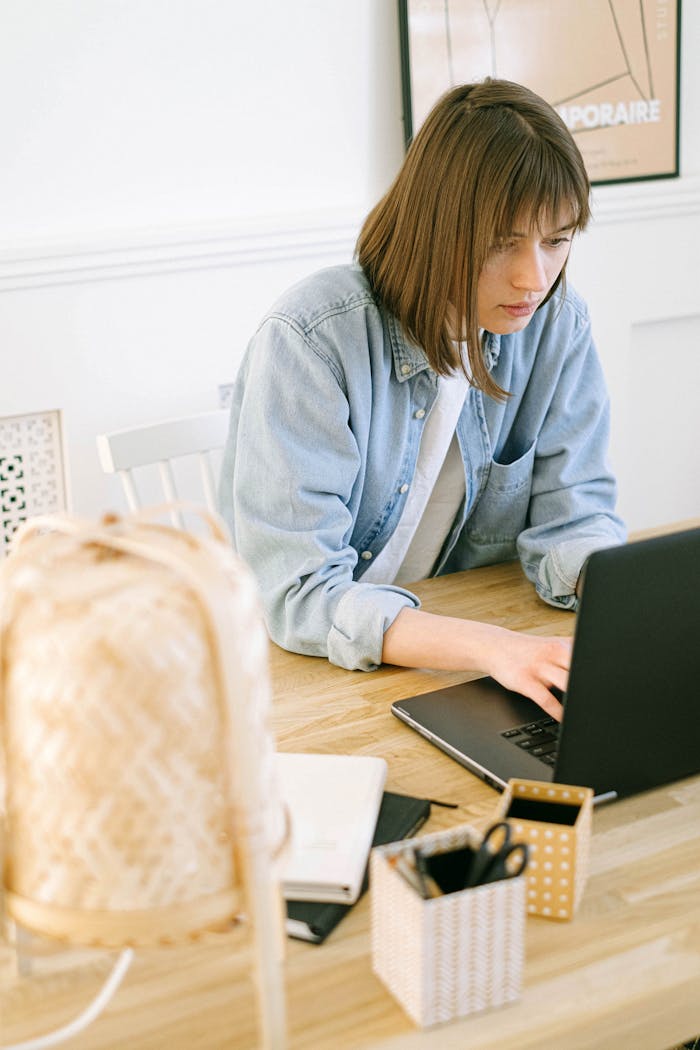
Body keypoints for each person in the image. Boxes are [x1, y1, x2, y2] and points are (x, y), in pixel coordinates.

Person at [219, 78, 626, 719]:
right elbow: (299, 593)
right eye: (503, 242)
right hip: (300, 677)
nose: (534, 278)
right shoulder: (312, 340)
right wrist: (495, 650)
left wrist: (622, 595)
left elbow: (573, 520)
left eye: (557, 239)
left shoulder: (557, 326)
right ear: (434, 225)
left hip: (442, 664)